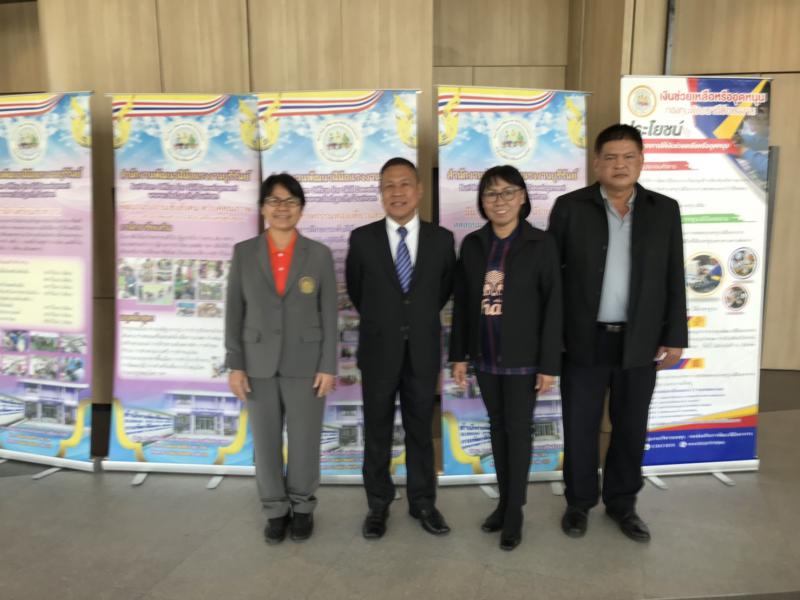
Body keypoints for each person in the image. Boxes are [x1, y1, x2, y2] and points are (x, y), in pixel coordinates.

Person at [548, 124, 688, 542]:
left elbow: (674, 275)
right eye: (610, 157)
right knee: (580, 426)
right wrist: (552, 337)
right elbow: (551, 280)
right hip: (583, 339)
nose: (619, 165)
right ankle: (578, 503)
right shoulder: (570, 207)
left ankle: (623, 504)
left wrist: (675, 335)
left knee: (631, 427)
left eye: (628, 157)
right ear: (596, 163)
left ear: (641, 161)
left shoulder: (664, 210)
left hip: (640, 340)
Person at [449, 165, 562, 551]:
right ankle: (503, 502)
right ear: (482, 201)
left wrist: (549, 364)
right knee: (497, 430)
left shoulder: (541, 243)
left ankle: (515, 512)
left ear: (523, 197)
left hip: (524, 360)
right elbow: (463, 303)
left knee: (518, 433)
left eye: (508, 192)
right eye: (491, 193)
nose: (500, 200)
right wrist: (460, 355)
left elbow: (554, 306)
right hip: (485, 357)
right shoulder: (473, 244)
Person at [345, 157, 456, 539]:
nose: (397, 192)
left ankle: (423, 503)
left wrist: (412, 320)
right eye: (388, 185)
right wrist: (388, 321)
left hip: (422, 351)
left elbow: (442, 290)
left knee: (420, 431)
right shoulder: (363, 239)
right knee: (377, 431)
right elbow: (358, 292)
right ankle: (378, 505)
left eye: (405, 183)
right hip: (379, 350)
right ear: (380, 192)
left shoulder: (442, 239)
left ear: (419, 190)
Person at [225, 173, 337, 545]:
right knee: (266, 442)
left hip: (306, 364)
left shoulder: (318, 254)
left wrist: (328, 365)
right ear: (262, 208)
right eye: (274, 201)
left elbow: (329, 314)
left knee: (304, 441)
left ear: (301, 209)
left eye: (290, 201)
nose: (282, 208)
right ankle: (275, 510)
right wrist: (236, 364)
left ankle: (303, 507)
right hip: (257, 363)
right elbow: (234, 312)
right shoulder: (244, 252)